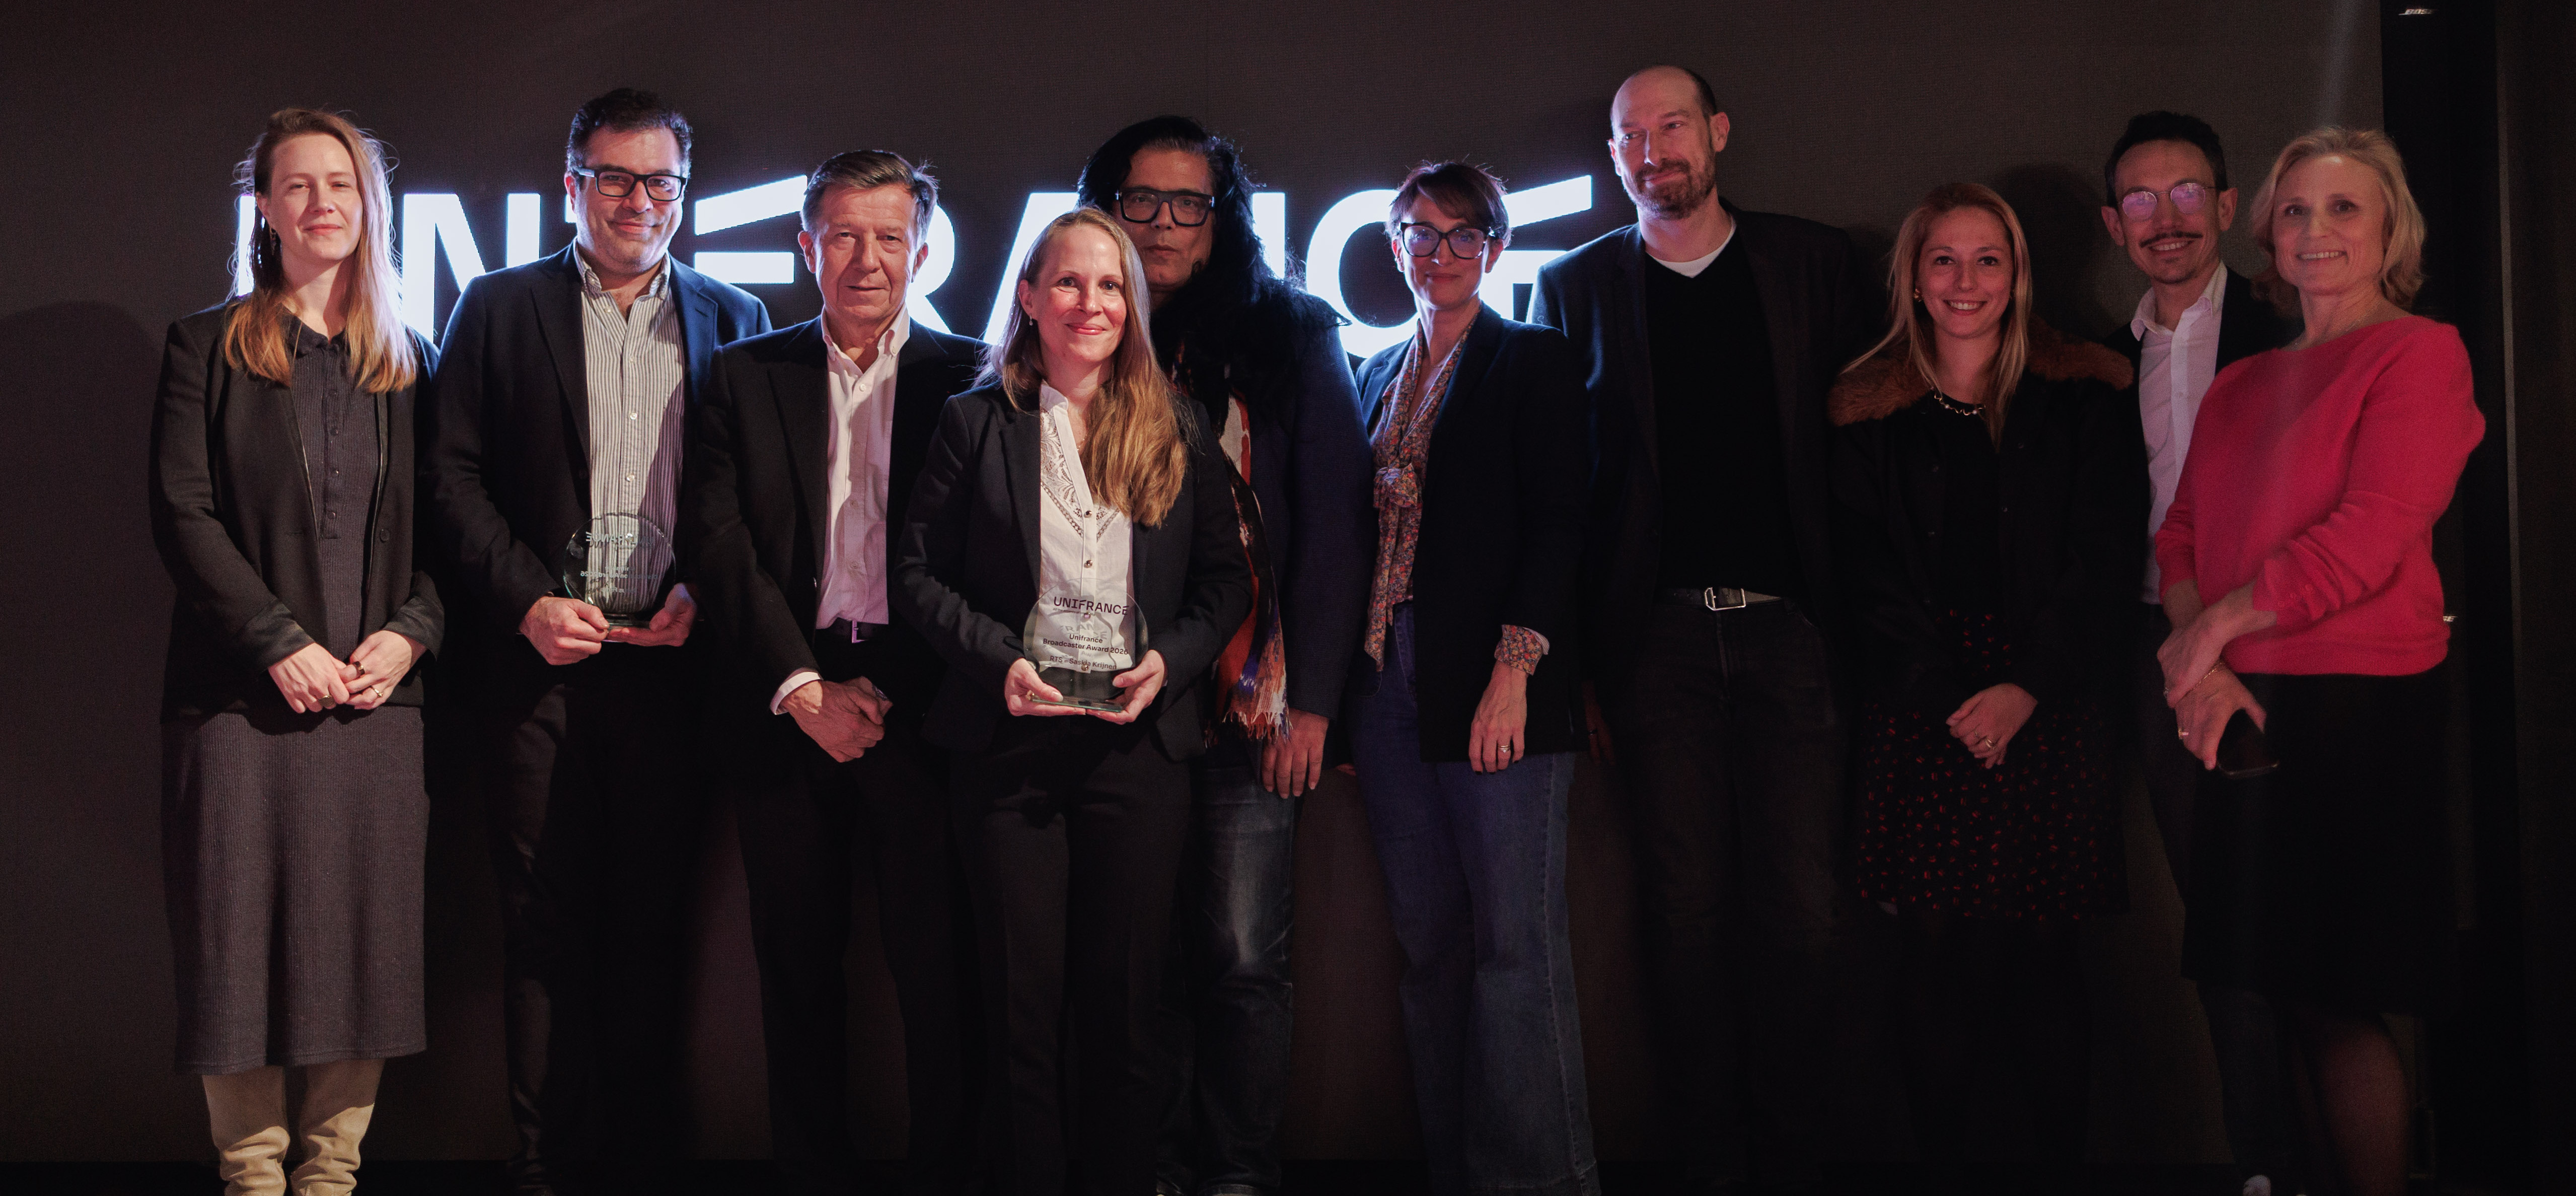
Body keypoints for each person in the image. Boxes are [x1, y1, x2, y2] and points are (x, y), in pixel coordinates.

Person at [1527, 65, 1878, 1193]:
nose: (1651, 149)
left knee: (1807, 916)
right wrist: (1579, 662)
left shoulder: (1816, 265)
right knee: (1683, 916)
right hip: (1658, 646)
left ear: (1718, 133)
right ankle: (1712, 1164)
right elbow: (1564, 491)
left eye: (1672, 125)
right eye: (1631, 135)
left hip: (1794, 636)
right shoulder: (1578, 287)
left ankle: (1798, 1158)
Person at [419, 88, 770, 1196]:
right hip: (539, 672)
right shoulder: (496, 305)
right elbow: (451, 476)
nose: (638, 201)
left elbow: (753, 500)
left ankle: (642, 1166)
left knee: (651, 935)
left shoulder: (735, 321)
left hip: (673, 672)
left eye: (659, 181)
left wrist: (706, 602)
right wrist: (528, 600)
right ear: (573, 186)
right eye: (613, 178)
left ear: (684, 195)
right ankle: (544, 1169)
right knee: (543, 932)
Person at [892, 206, 1252, 1196]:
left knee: (1127, 1016)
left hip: (1136, 756)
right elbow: (917, 576)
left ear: (1129, 303)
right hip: (1008, 751)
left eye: (1108, 285)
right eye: (1067, 283)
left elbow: (1225, 585)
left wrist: (1167, 665)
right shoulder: (976, 423)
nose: (1089, 303)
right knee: (1020, 1016)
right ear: (1027, 298)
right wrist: (998, 660)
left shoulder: (1177, 425)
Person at [2156, 127, 2482, 1196]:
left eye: (2345, 209)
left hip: (2358, 708)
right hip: (2240, 705)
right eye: (2296, 211)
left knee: (2339, 997)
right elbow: (2181, 542)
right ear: (2267, 234)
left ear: (2391, 230)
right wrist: (2203, 668)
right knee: (2273, 988)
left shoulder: (2419, 352)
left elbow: (2374, 530)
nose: (2317, 230)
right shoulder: (2242, 384)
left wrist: (2215, 629)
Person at [1073, 116, 1373, 1196]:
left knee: (1244, 961)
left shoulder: (1288, 331)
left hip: (1258, 705)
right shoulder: (1080, 325)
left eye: (1187, 203)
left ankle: (1236, 1178)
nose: (1160, 223)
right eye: (1140, 200)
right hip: (1118, 708)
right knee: (1136, 962)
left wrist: (1318, 704)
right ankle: (1148, 1172)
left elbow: (1338, 525)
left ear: (1221, 218)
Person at [150, 107, 440, 1196]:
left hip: (373, 711)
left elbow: (448, 538)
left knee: (358, 949)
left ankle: (331, 1177)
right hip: (234, 705)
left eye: (344, 185)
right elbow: (182, 514)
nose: (324, 203)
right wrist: (277, 643)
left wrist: (408, 640)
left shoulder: (411, 365)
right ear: (265, 209)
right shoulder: (205, 346)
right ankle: (253, 1176)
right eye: (299, 185)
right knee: (235, 947)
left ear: (370, 209)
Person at [681, 152, 984, 1196]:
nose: (867, 259)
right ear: (806, 246)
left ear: (924, 250)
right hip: (785, 708)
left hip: (922, 712)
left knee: (941, 982)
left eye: (889, 237)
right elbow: (718, 545)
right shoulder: (744, 373)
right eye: (844, 236)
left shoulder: (975, 377)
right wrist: (804, 691)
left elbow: (984, 558)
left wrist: (890, 693)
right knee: (796, 977)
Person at [1829, 183, 2142, 1184]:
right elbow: (1861, 572)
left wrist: (2026, 689)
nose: (1966, 283)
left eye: (1987, 261)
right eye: (1944, 262)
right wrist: (1945, 698)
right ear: (1914, 281)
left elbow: (2104, 559)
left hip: (2053, 698)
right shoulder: (1865, 405)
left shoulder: (2085, 390)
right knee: (1934, 961)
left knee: (2046, 959)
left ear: (2018, 274)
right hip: (1924, 707)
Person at [1346, 162, 1596, 1196]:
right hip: (1388, 692)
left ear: (1495, 249)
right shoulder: (1373, 372)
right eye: (1419, 231)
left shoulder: (1530, 359)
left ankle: (1541, 1181)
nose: (1439, 251)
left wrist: (1514, 672)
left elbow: (1562, 524)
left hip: (1497, 683)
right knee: (1431, 955)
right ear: (1395, 245)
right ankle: (1460, 1172)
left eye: (1462, 233)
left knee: (1514, 956)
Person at [2095, 110, 2302, 1196]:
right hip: (2151, 652)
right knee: (2217, 913)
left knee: (2300, 914)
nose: (2165, 221)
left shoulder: (2290, 332)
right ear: (2113, 222)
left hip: (2284, 649)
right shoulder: (2101, 357)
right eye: (2140, 200)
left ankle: (2315, 1158)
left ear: (2226, 209)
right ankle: (2265, 1167)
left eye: (2186, 197)